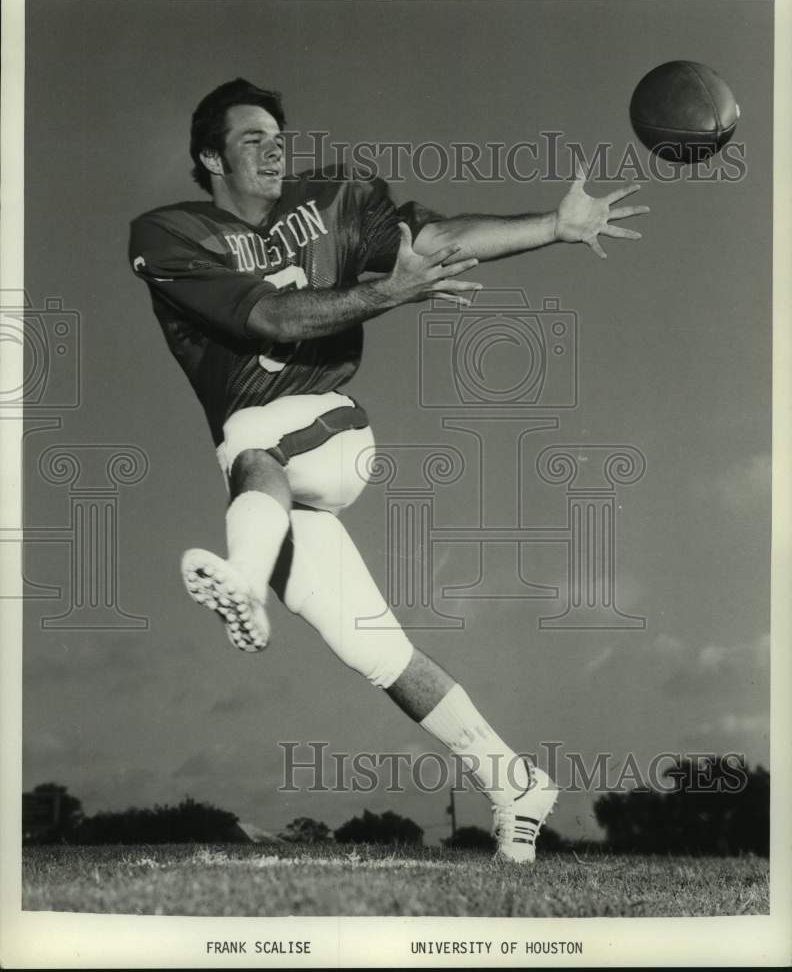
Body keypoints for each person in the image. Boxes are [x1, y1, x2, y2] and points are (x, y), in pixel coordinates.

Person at [129, 78, 649, 863]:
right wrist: (385, 294)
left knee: (255, 445)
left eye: (279, 136)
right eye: (250, 140)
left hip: (327, 429)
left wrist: (553, 224)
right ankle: (513, 780)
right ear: (208, 156)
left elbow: (433, 243)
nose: (274, 151)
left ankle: (241, 576)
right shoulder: (170, 234)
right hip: (267, 478)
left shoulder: (333, 198)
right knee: (374, 650)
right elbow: (267, 317)